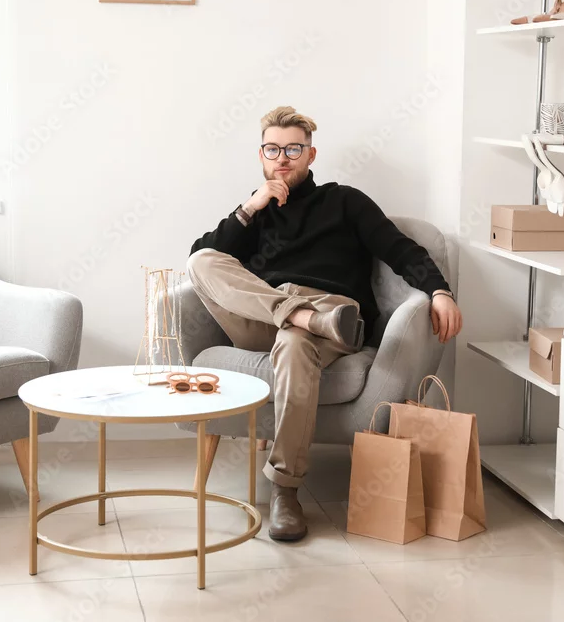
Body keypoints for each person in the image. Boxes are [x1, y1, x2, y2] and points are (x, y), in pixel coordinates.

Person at [188, 106, 462, 541]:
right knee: (201, 260)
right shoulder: (256, 213)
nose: (282, 158)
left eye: (293, 149)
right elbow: (206, 258)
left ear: (311, 155)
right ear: (261, 155)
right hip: (269, 317)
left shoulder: (345, 201)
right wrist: (251, 206)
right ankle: (302, 317)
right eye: (272, 149)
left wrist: (440, 291)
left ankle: (285, 490)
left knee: (295, 344)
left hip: (333, 314)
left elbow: (401, 249)